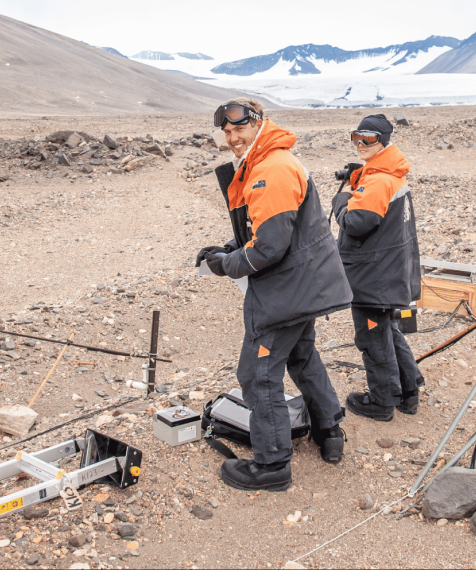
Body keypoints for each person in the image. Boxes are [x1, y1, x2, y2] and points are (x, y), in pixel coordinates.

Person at [196, 98, 353, 492]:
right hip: (304, 284)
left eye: (239, 129)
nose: (233, 138)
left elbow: (270, 247)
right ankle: (329, 429)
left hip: (287, 291)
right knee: (301, 357)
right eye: (227, 132)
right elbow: (271, 230)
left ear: (260, 123)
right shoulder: (271, 159)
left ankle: (272, 465)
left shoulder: (271, 168)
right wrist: (230, 250)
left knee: (257, 374)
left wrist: (224, 265)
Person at [332, 113, 424, 422]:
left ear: (383, 141)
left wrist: (342, 197)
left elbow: (357, 222)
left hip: (373, 277)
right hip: (388, 271)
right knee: (389, 332)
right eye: (355, 137)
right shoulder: (392, 175)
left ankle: (382, 401)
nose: (360, 144)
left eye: (368, 139)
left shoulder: (379, 179)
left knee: (373, 337)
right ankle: (409, 392)